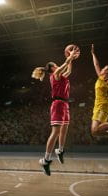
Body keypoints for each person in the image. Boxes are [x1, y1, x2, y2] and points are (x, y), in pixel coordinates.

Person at [31, 46, 79, 176]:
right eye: (56, 65)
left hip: (65, 104)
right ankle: (46, 160)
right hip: (57, 104)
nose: (58, 66)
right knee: (56, 131)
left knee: (65, 129)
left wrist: (71, 58)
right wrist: (69, 56)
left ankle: (60, 150)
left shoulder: (62, 75)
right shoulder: (55, 74)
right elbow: (65, 65)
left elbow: (68, 69)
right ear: (53, 68)